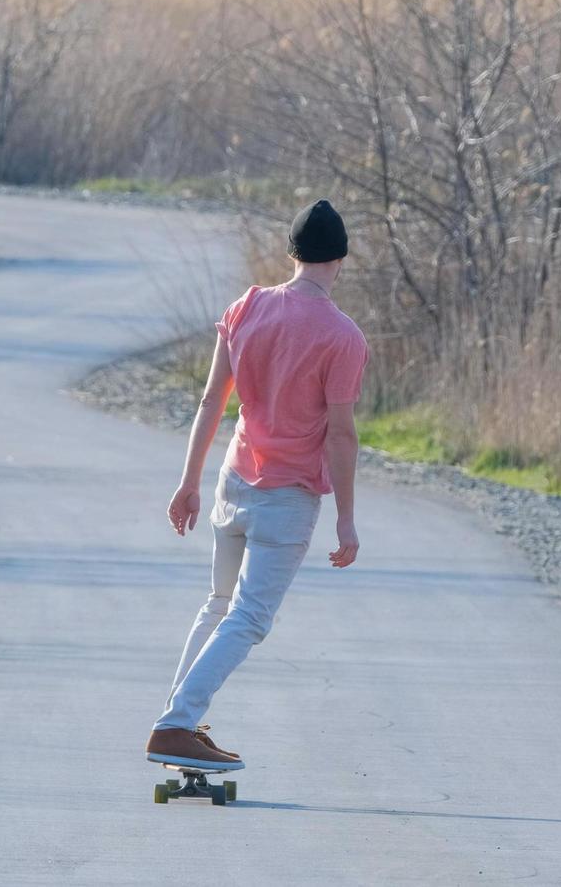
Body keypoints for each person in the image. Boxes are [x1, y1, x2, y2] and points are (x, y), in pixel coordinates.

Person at [145, 199, 369, 769]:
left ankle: (181, 721)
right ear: (340, 259)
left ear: (292, 253)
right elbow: (340, 435)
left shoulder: (246, 306)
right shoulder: (342, 337)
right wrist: (345, 517)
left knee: (219, 605)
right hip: (287, 499)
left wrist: (188, 481)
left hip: (232, 483)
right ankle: (175, 724)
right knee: (248, 618)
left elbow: (211, 400)